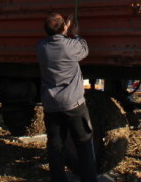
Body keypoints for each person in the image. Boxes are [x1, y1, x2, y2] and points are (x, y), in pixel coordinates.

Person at [36, 12, 96, 182]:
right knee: (83, 142)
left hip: (51, 104)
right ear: (64, 27)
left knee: (55, 145)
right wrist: (75, 32)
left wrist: (64, 31)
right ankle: (89, 178)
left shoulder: (41, 47)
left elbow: (56, 40)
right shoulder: (70, 46)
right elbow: (84, 49)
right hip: (73, 104)